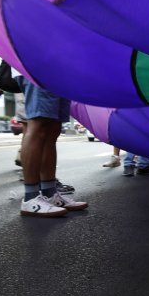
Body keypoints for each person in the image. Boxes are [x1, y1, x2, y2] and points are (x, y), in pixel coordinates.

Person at [16, 78, 87, 217]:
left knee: (53, 128)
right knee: (38, 124)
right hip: (38, 68)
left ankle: (50, 194)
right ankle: (30, 198)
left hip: (58, 72)